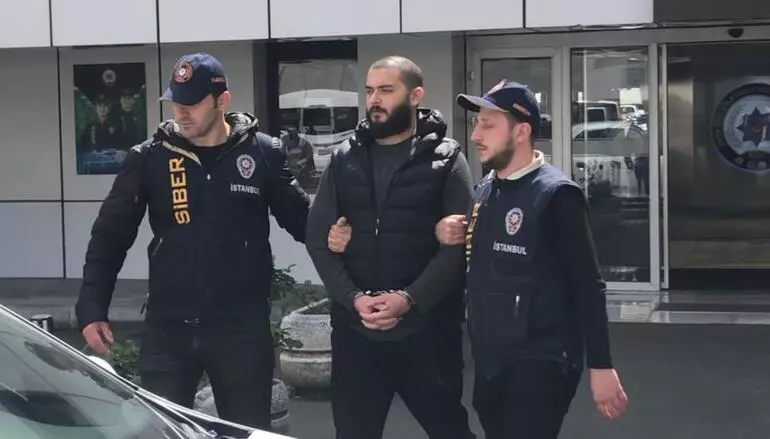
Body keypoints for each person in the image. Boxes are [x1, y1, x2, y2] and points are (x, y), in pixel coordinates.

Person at [75, 53, 309, 429]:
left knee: (246, 433)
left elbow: (305, 223)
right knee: (163, 432)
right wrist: (92, 308)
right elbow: (109, 237)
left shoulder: (262, 153)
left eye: (192, 103)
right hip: (168, 330)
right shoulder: (149, 157)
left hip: (241, 332)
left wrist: (344, 238)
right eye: (175, 102)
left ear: (222, 100)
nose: (181, 112)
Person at [433, 79, 629, 438]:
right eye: (476, 123)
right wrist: (445, 233)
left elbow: (588, 285)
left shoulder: (557, 195)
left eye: (488, 125)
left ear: (521, 131)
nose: (476, 135)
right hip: (491, 359)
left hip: (542, 359)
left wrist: (601, 365)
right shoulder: (484, 190)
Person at [306, 55, 476, 439]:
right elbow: (318, 238)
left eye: (386, 90)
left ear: (415, 95)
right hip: (356, 335)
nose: (374, 100)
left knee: (450, 430)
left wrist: (409, 299)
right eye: (369, 91)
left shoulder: (447, 159)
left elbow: (458, 247)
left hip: (427, 334)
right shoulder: (344, 157)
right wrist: (352, 298)